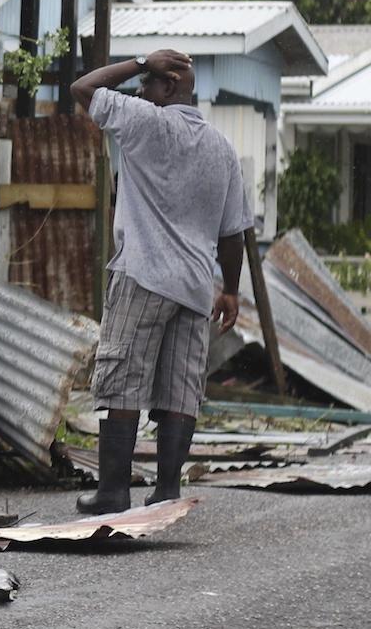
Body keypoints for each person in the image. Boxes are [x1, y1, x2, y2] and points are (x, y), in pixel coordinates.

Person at [71, 47, 256, 514]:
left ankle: (113, 491)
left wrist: (138, 61)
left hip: (144, 274)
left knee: (124, 380)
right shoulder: (222, 149)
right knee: (179, 389)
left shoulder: (144, 122)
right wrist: (230, 289)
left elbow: (83, 89)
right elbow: (234, 233)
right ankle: (166, 488)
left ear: (168, 87)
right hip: (195, 287)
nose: (139, 92)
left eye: (147, 84)